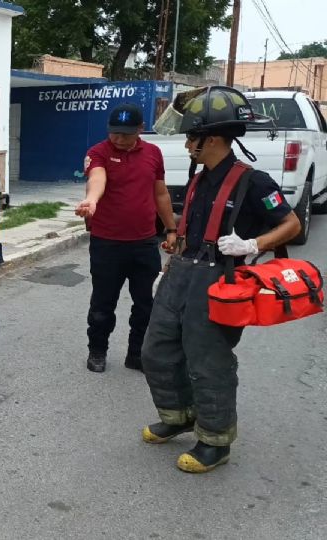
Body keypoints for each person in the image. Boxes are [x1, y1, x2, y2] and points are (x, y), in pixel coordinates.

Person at [140, 86, 301, 473]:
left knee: (208, 362)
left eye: (191, 136)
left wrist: (251, 243)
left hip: (218, 281)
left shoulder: (254, 181)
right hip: (182, 273)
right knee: (156, 350)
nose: (187, 142)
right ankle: (179, 414)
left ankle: (215, 440)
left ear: (211, 138)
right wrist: (173, 253)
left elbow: (291, 224)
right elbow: (190, 225)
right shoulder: (199, 177)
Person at [75, 103, 177, 374]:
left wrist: (171, 229)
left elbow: (161, 194)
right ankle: (97, 351)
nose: (118, 139)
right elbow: (97, 178)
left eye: (126, 134)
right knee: (102, 304)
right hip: (106, 243)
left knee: (146, 305)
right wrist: (91, 200)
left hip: (144, 243)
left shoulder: (153, 153)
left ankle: (136, 354)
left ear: (141, 129)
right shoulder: (99, 152)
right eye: (114, 133)